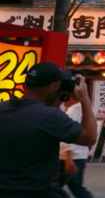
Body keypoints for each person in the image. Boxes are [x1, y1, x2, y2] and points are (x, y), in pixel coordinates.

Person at [0, 62, 97, 198]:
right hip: (38, 192)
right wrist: (85, 98)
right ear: (55, 86)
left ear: (25, 85)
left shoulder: (3, 109)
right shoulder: (50, 116)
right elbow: (90, 137)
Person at [60, 94, 94, 198]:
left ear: (70, 97)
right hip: (78, 154)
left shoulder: (73, 111)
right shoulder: (85, 110)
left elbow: (67, 135)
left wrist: (68, 158)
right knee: (74, 186)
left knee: (75, 187)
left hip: (71, 156)